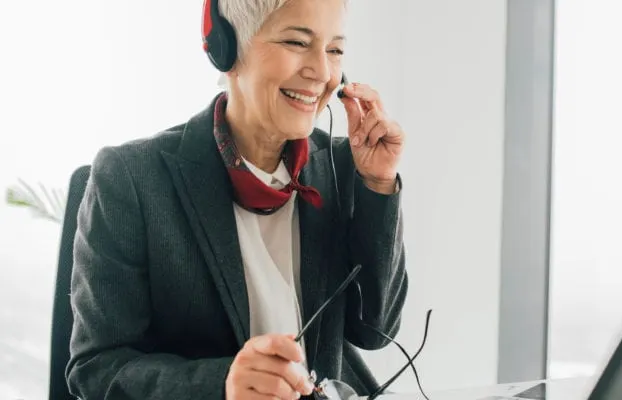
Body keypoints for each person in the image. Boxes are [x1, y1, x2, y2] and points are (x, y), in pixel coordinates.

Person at [66, 0, 408, 399]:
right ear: (226, 48)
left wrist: (378, 185)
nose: (322, 73)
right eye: (297, 42)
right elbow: (96, 368)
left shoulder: (342, 166)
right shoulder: (130, 178)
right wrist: (223, 385)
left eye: (334, 50)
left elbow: (375, 330)